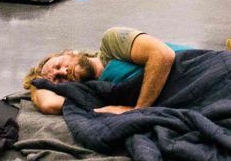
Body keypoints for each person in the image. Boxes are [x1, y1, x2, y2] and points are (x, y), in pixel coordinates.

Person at [26, 28, 186, 115]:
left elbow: (162, 55)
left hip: (193, 66)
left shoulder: (110, 44)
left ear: (70, 52)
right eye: (58, 80)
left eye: (58, 65)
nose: (63, 72)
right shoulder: (94, 93)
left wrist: (138, 110)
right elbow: (48, 104)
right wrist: (38, 84)